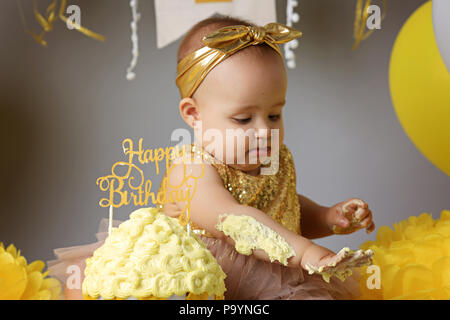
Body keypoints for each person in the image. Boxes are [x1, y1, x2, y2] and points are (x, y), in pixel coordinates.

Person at [48, 14, 375, 300]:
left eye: (274, 115)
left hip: (270, 275)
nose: (264, 131)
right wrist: (304, 251)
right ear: (194, 114)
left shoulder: (275, 161)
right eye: (244, 119)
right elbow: (237, 221)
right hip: (202, 279)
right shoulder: (191, 170)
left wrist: (328, 217)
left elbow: (284, 208)